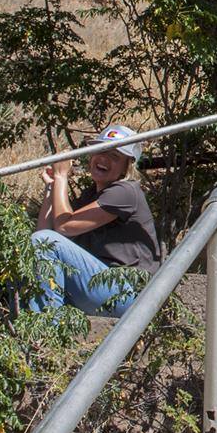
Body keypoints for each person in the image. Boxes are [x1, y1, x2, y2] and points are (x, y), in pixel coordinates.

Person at [29, 124, 162, 317]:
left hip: (128, 294)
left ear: (128, 166)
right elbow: (45, 233)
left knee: (44, 242)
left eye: (114, 157)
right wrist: (51, 188)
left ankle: (45, 329)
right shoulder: (92, 196)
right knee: (33, 249)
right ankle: (39, 328)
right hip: (102, 287)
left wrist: (61, 176)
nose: (103, 159)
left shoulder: (125, 192)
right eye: (100, 151)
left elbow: (64, 226)